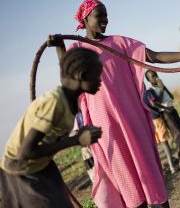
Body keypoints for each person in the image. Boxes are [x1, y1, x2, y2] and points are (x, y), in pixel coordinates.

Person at [49, 0, 180, 208]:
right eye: (99, 16)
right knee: (127, 181)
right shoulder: (77, 48)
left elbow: (154, 56)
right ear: (85, 18)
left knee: (150, 175)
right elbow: (69, 79)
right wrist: (59, 48)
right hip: (106, 125)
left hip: (132, 118)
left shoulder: (120, 43)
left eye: (106, 16)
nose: (105, 20)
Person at [0, 47, 103, 208]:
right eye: (98, 75)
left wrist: (59, 45)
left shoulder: (70, 99)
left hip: (42, 164)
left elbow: (66, 67)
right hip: (22, 169)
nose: (100, 81)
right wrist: (76, 140)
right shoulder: (54, 102)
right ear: (82, 76)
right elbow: (25, 153)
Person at [145, 70, 180, 165]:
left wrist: (163, 87)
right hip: (165, 113)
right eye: (153, 76)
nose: (156, 77)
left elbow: (171, 96)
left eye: (156, 75)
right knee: (177, 133)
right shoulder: (151, 90)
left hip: (172, 109)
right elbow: (158, 102)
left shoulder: (161, 86)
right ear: (149, 80)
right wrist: (161, 89)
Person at [143, 85, 176, 174]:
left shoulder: (139, 96)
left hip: (150, 122)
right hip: (157, 120)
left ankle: (160, 170)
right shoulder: (147, 92)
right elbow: (154, 103)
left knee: (159, 146)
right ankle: (172, 167)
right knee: (165, 144)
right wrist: (165, 107)